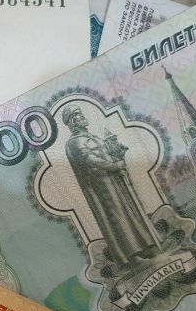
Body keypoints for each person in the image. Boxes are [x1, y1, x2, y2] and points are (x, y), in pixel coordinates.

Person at [62, 105, 160, 266]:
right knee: (118, 217)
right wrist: (115, 166)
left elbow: (108, 152)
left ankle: (146, 246)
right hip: (101, 187)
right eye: (78, 115)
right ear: (72, 121)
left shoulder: (92, 136)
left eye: (81, 114)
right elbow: (90, 160)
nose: (82, 117)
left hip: (114, 181)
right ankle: (132, 255)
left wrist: (117, 156)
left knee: (130, 211)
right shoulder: (74, 142)